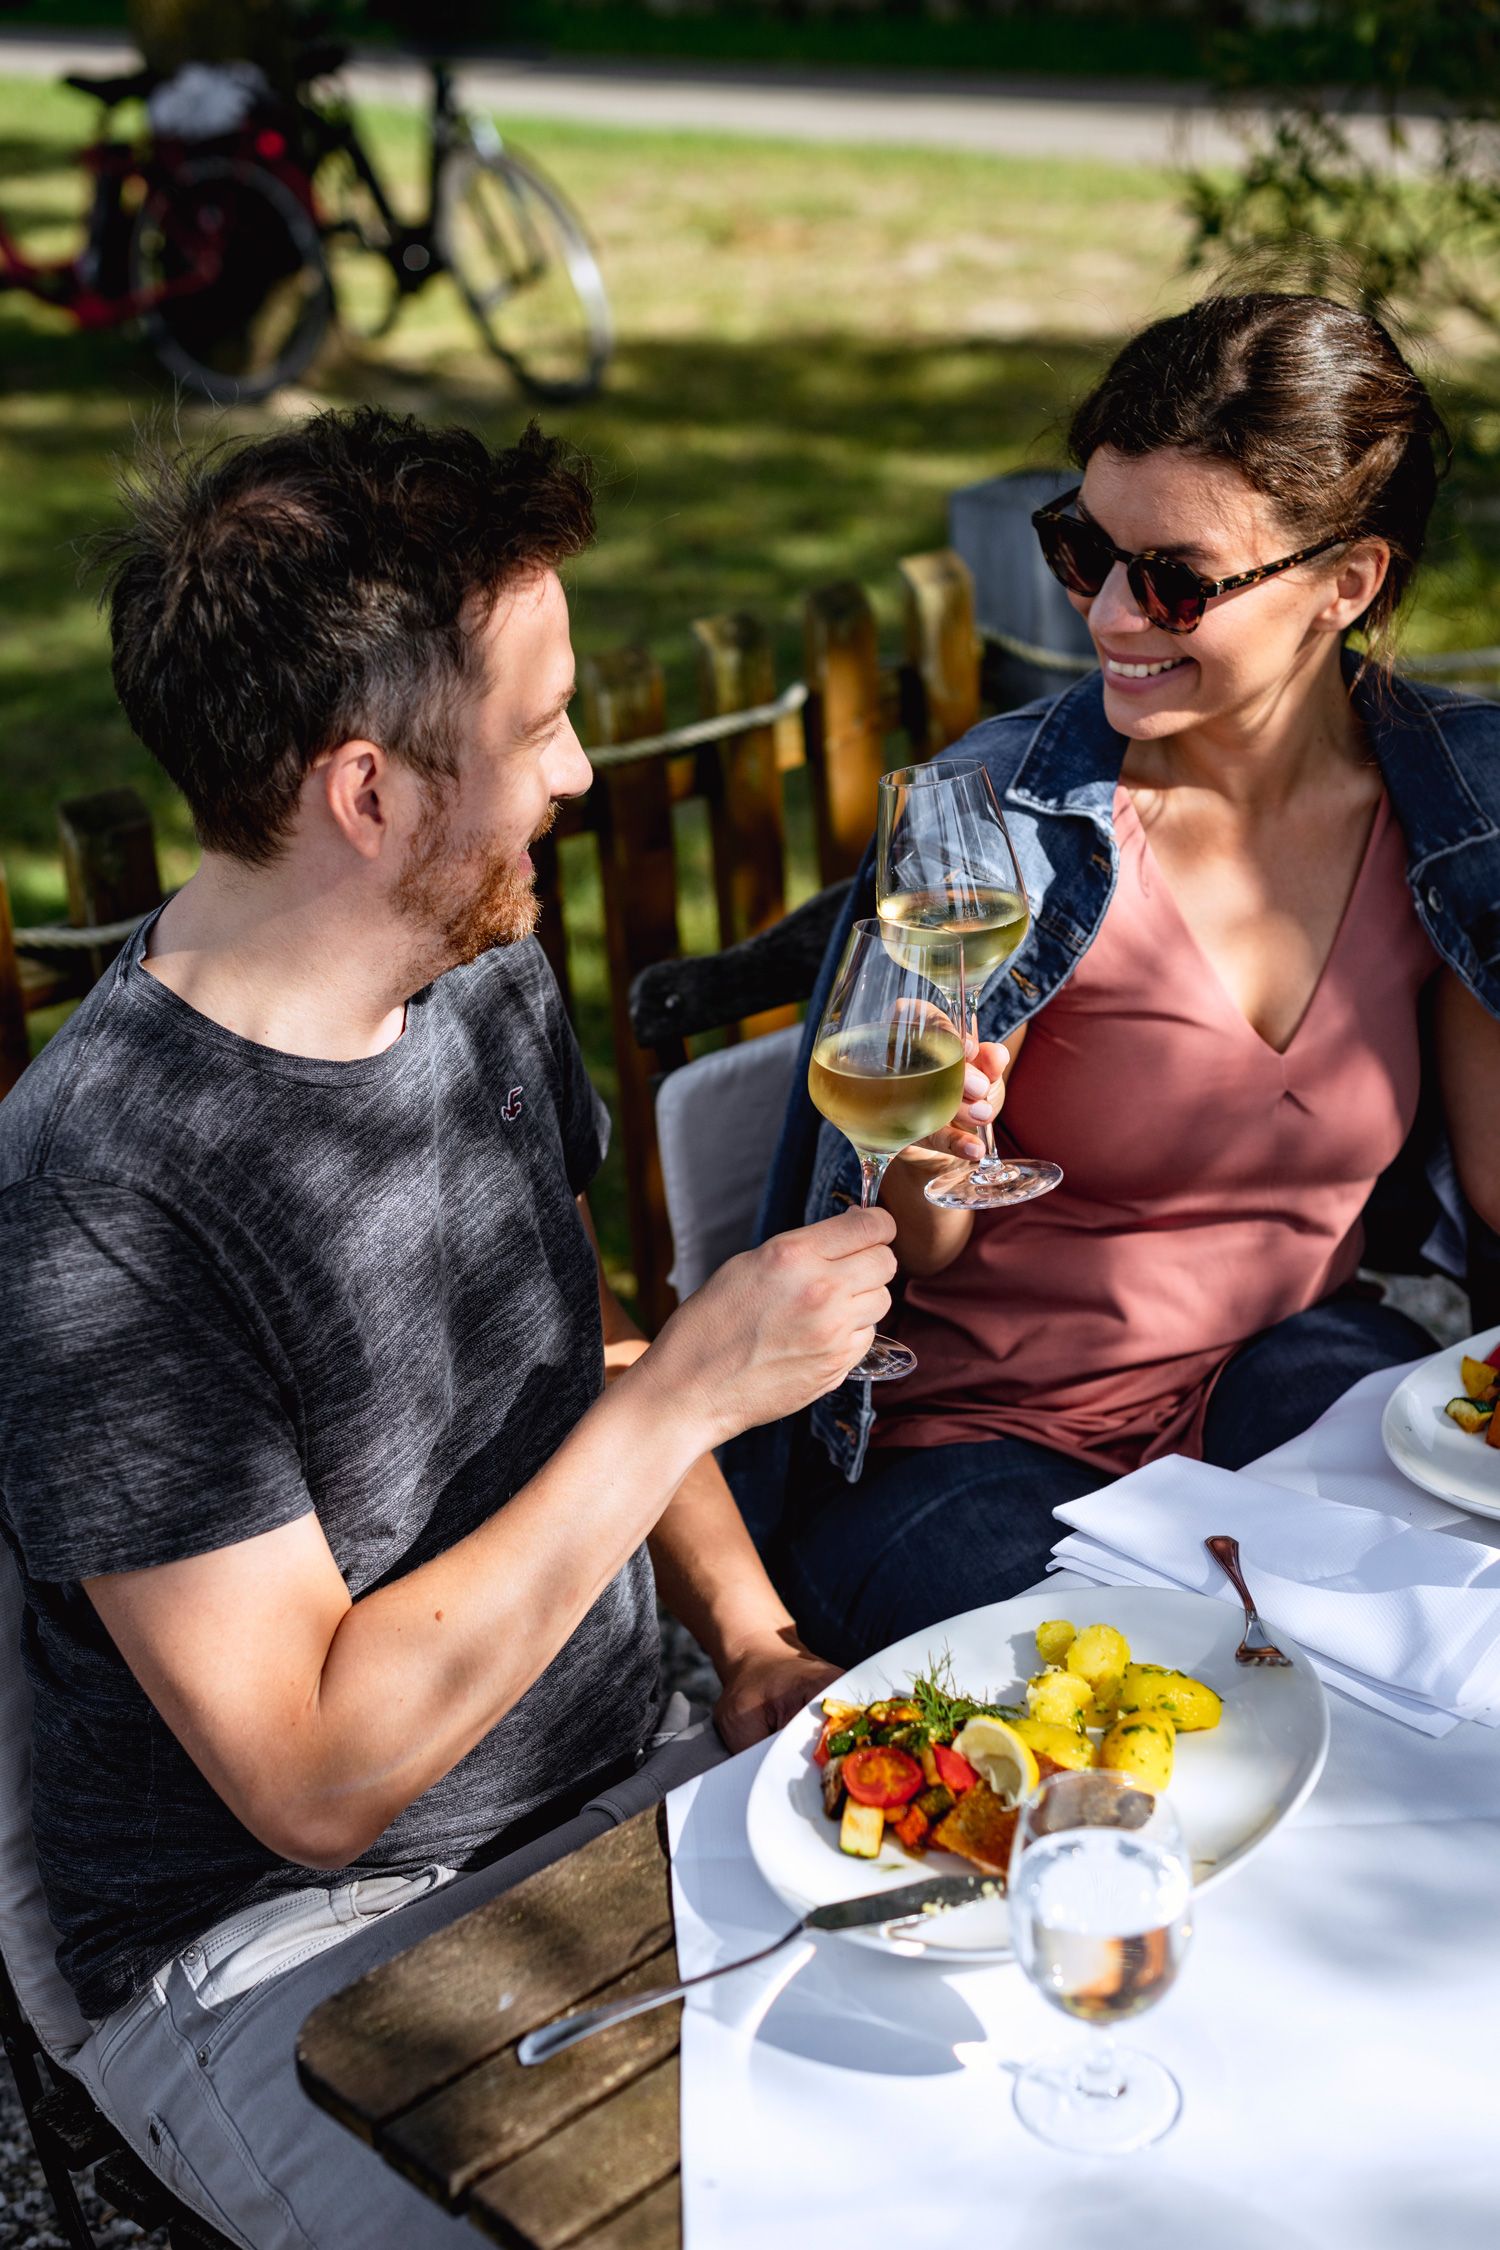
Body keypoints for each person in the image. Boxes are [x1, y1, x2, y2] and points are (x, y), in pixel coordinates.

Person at [0, 407, 898, 2249]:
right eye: (541, 723)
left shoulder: (474, 973)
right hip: (284, 1951)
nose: (579, 769)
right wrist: (684, 1404)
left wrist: (742, 1632)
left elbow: (575, 1333)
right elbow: (315, 1778)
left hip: (619, 1774)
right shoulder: (102, 1192)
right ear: (369, 793)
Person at [756, 289, 1500, 1667]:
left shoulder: (1459, 805)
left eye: (1171, 576)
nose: (1106, 613)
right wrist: (929, 1150)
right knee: (1123, 1717)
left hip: (1281, 1369)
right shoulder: (1002, 823)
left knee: (1443, 1645)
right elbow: (907, 1239)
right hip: (978, 1441)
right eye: (1084, 549)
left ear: (1349, 583)